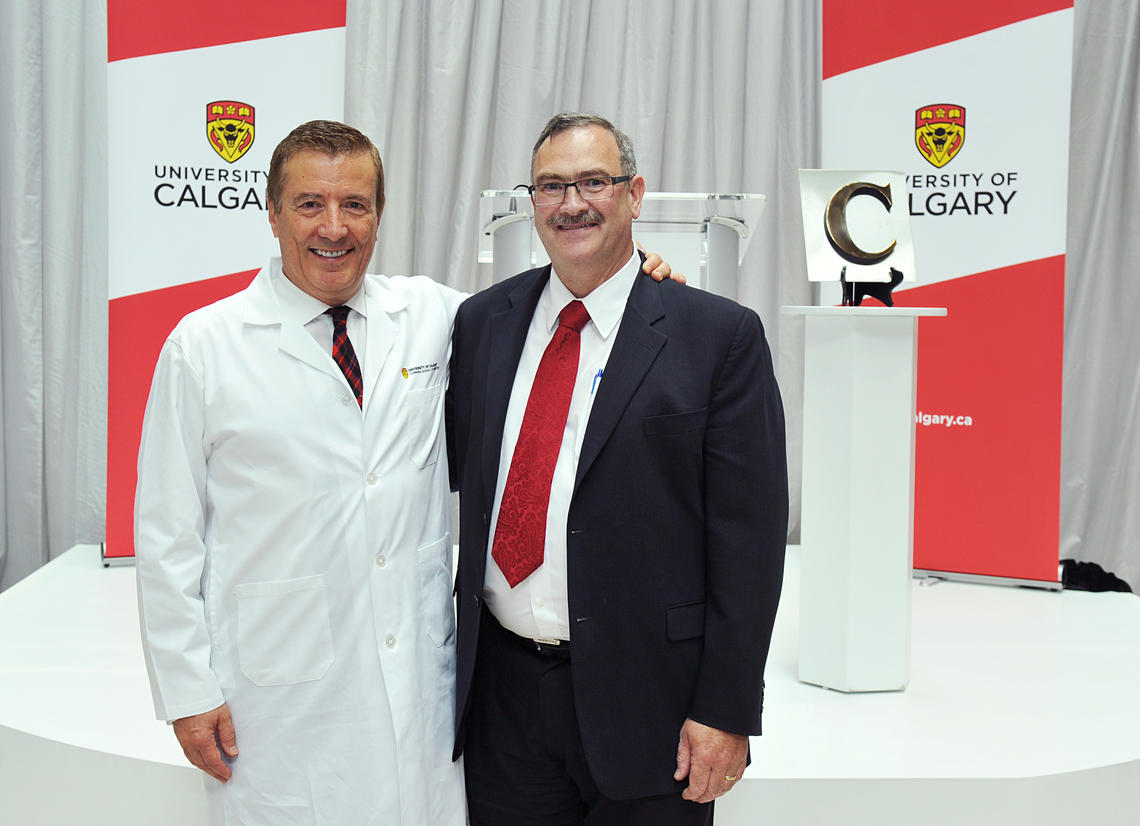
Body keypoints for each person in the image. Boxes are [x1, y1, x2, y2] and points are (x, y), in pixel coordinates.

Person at [135, 119, 673, 825]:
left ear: (379, 216)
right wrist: (186, 689)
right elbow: (168, 535)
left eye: (355, 204)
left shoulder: (432, 316)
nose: (335, 227)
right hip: (275, 697)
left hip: (416, 680)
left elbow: (550, 316)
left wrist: (638, 286)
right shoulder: (204, 347)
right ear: (270, 213)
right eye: (309, 204)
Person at [448, 113, 788, 825]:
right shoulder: (482, 324)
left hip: (653, 710)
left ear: (634, 195)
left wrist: (726, 712)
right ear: (530, 201)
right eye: (551, 186)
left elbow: (748, 545)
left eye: (593, 182)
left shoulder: (717, 338)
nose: (572, 203)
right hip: (504, 704)